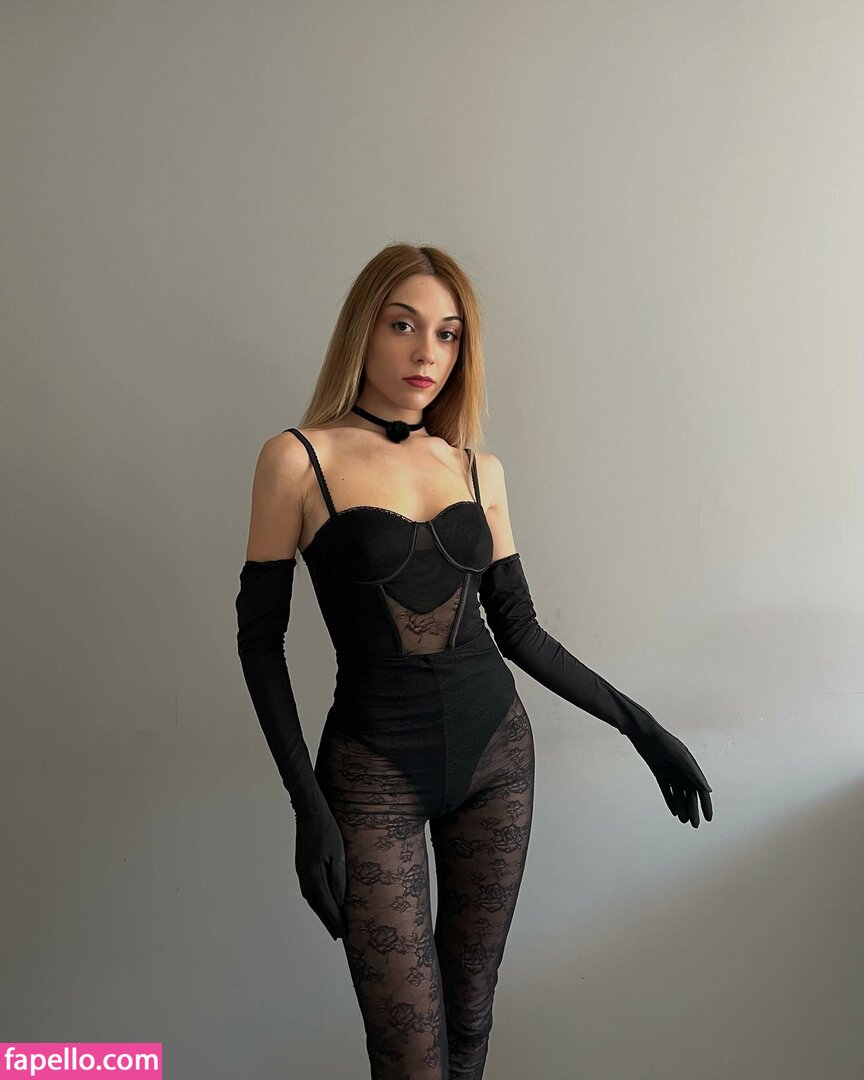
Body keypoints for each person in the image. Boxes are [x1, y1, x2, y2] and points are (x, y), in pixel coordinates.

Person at [234, 242, 713, 1079]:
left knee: (469, 1022)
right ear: (363, 330)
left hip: (497, 758)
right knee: (409, 1055)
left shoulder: (475, 466)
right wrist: (306, 804)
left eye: (448, 334)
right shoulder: (298, 458)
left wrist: (646, 731)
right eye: (403, 325)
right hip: (371, 775)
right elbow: (257, 640)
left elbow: (520, 630)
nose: (427, 352)